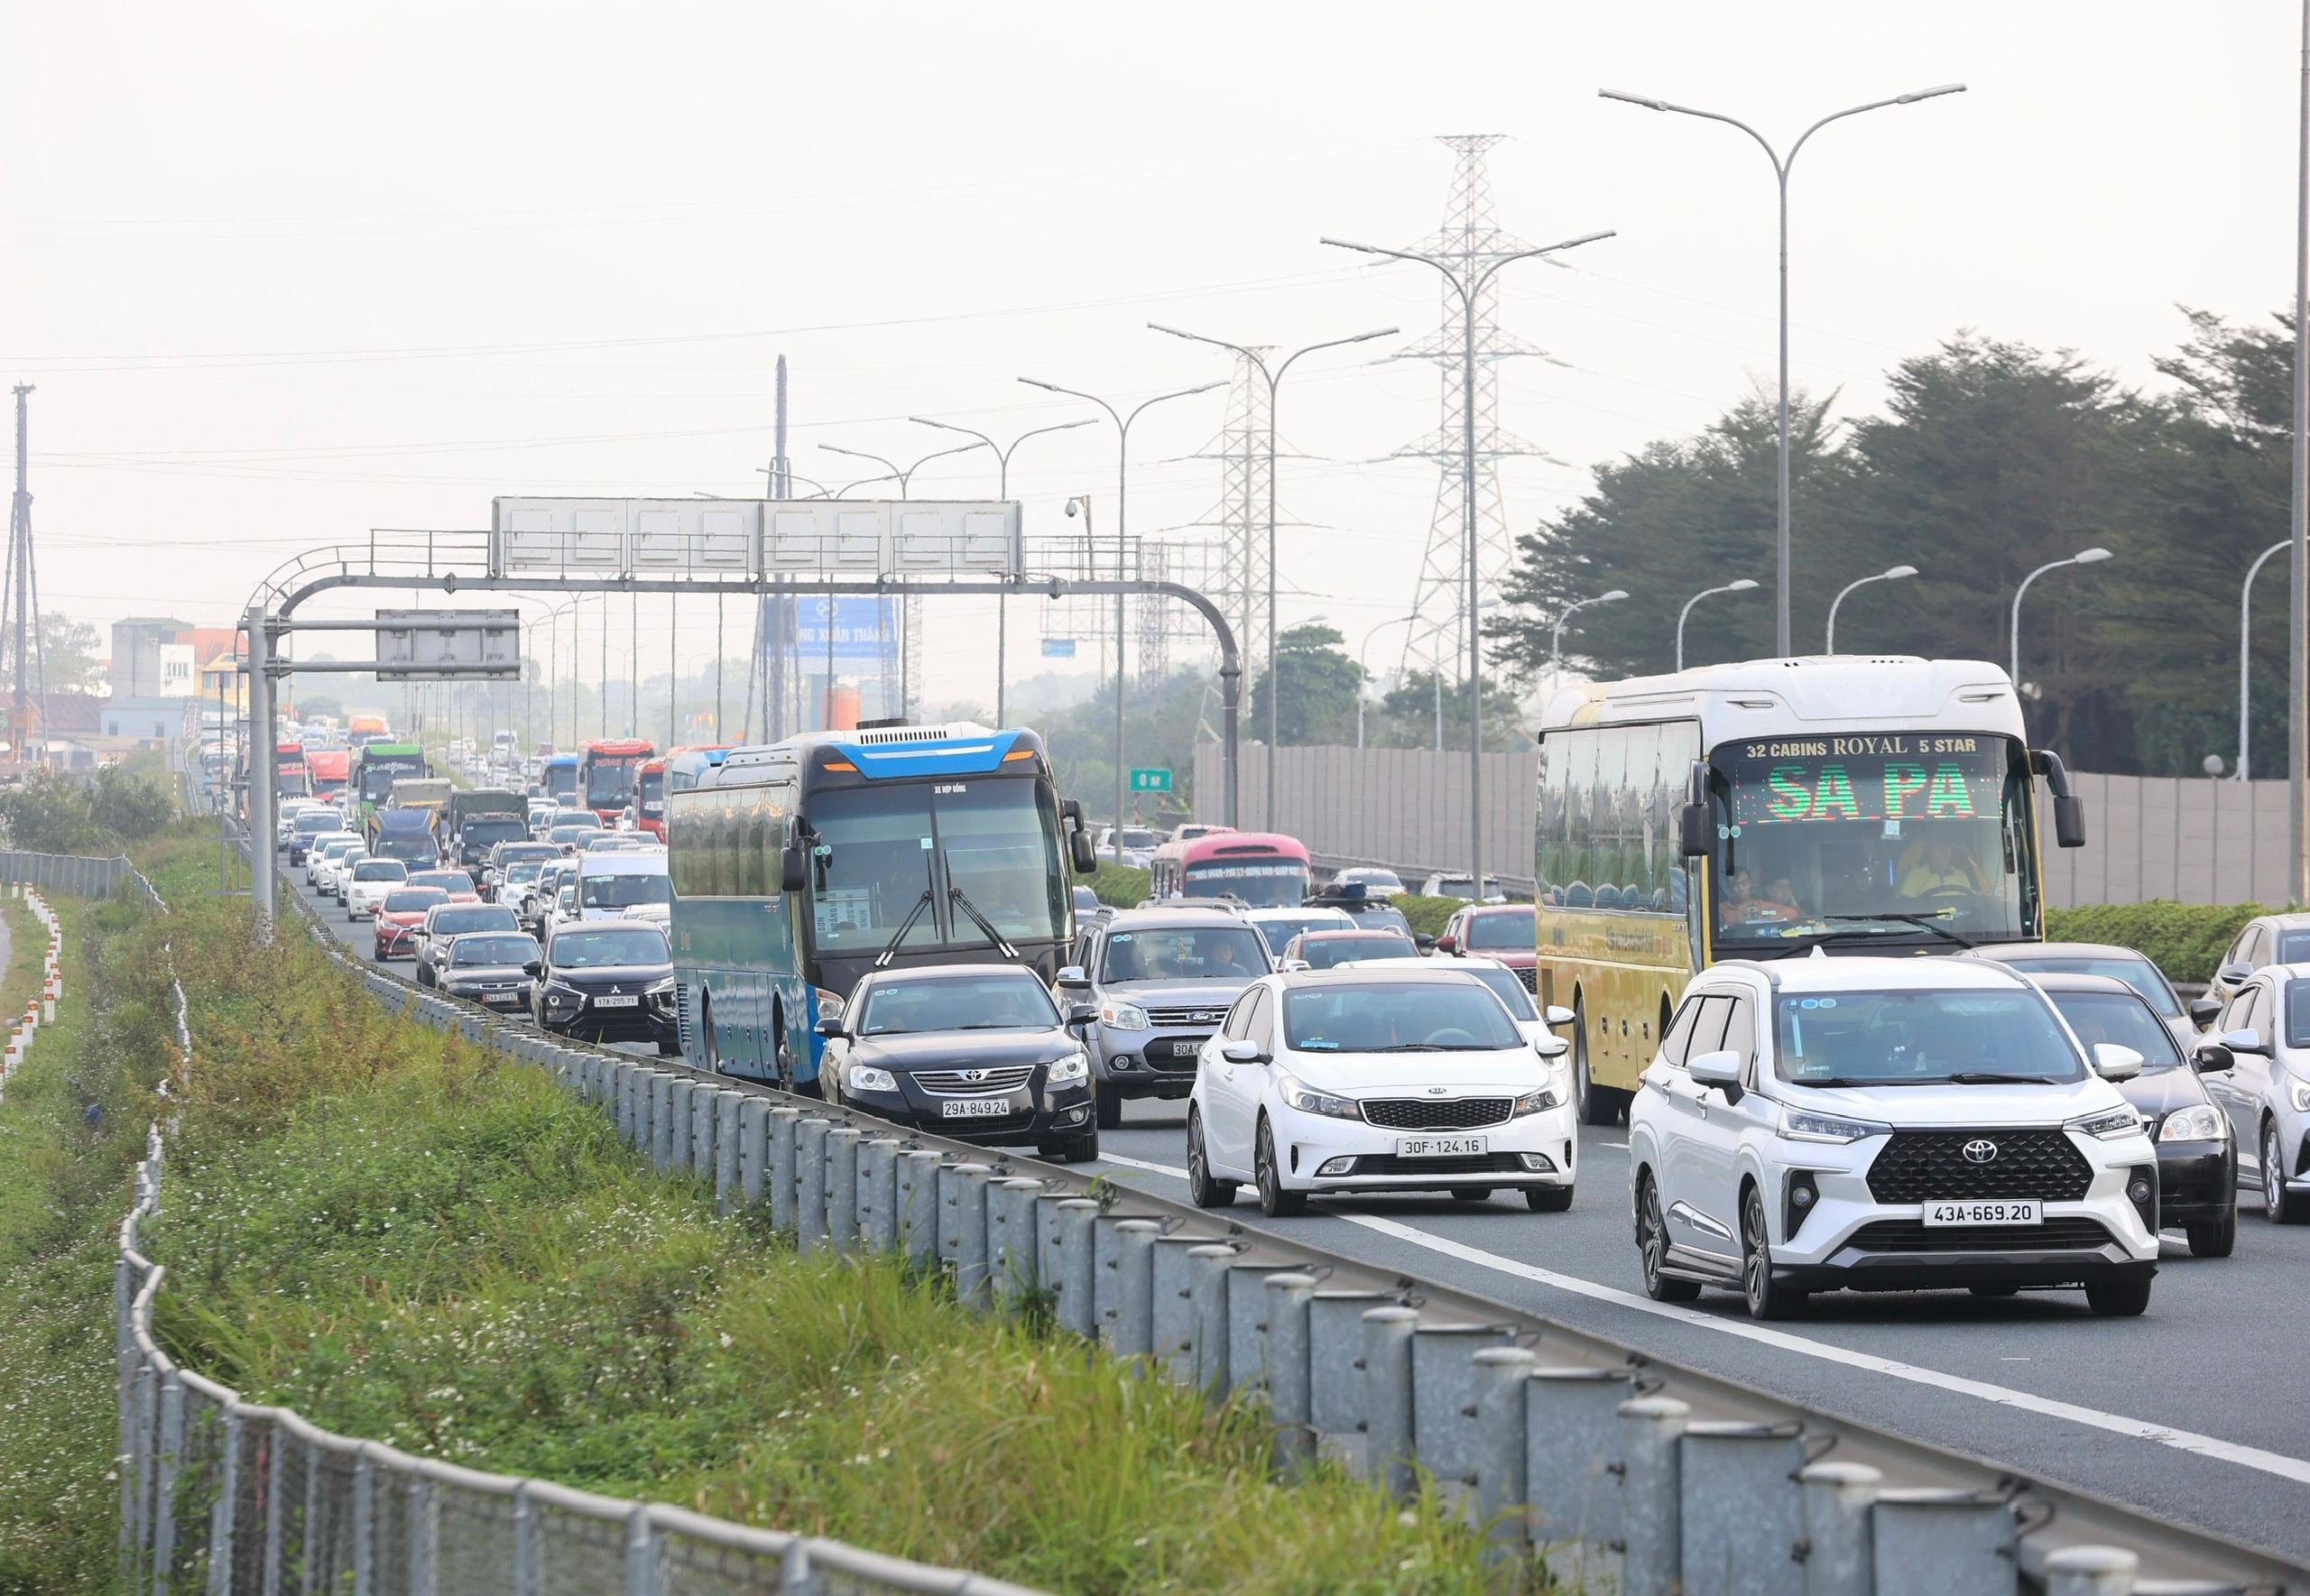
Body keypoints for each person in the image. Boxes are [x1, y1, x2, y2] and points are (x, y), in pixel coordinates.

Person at [1899, 835, 1984, 898]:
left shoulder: (1961, 875)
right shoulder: (1915, 876)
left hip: (1957, 921)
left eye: (1948, 848)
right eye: (1940, 848)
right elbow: (1908, 905)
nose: (1944, 851)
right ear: (1930, 851)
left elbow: (1967, 903)